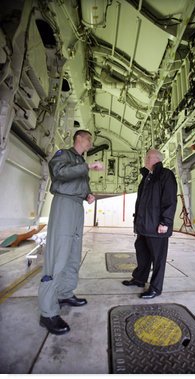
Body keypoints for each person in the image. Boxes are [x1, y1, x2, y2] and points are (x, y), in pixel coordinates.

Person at [38, 130, 104, 335]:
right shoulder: (63, 155)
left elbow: (79, 183)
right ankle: (47, 312)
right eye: (89, 140)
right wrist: (86, 166)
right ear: (79, 139)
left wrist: (88, 194)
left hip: (76, 206)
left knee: (73, 252)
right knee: (58, 254)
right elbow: (60, 173)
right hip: (64, 204)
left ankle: (65, 292)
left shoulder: (79, 161)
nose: (90, 144)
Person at [122, 149, 177, 299]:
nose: (145, 159)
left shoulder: (165, 175)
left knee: (158, 258)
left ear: (156, 158)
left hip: (156, 227)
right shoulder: (147, 177)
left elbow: (170, 200)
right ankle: (139, 279)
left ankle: (155, 288)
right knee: (142, 253)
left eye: (148, 157)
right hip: (144, 226)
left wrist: (165, 222)